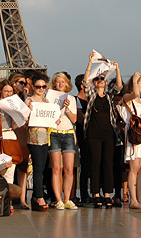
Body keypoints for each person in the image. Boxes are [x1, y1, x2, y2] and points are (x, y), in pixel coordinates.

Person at [82, 52, 123, 207]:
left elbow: (119, 86)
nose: (100, 81)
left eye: (102, 79)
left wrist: (117, 70)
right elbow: (85, 82)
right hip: (93, 134)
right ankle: (96, 193)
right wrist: (90, 62)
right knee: (96, 163)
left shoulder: (109, 97)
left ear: (106, 83)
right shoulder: (91, 95)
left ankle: (107, 193)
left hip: (109, 134)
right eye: (97, 79)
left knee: (108, 163)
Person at [121, 72, 141, 210]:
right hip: (134, 135)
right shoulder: (128, 98)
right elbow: (134, 94)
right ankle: (133, 199)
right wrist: (134, 80)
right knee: (133, 169)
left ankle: (139, 198)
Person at [48, 73, 77, 210]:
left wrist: (66, 108)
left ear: (67, 84)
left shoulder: (71, 98)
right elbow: (49, 116)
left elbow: (74, 119)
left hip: (68, 134)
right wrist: (59, 107)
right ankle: (58, 199)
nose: (60, 84)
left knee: (69, 169)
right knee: (56, 169)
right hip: (54, 133)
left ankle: (67, 198)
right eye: (58, 82)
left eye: (63, 82)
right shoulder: (49, 98)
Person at [25, 73, 51, 210]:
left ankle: (36, 195)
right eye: (38, 86)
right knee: (37, 167)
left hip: (44, 137)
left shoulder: (47, 102)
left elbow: (51, 119)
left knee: (41, 168)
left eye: (43, 86)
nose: (41, 89)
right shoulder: (28, 102)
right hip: (34, 137)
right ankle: (39, 197)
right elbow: (25, 120)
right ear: (33, 87)